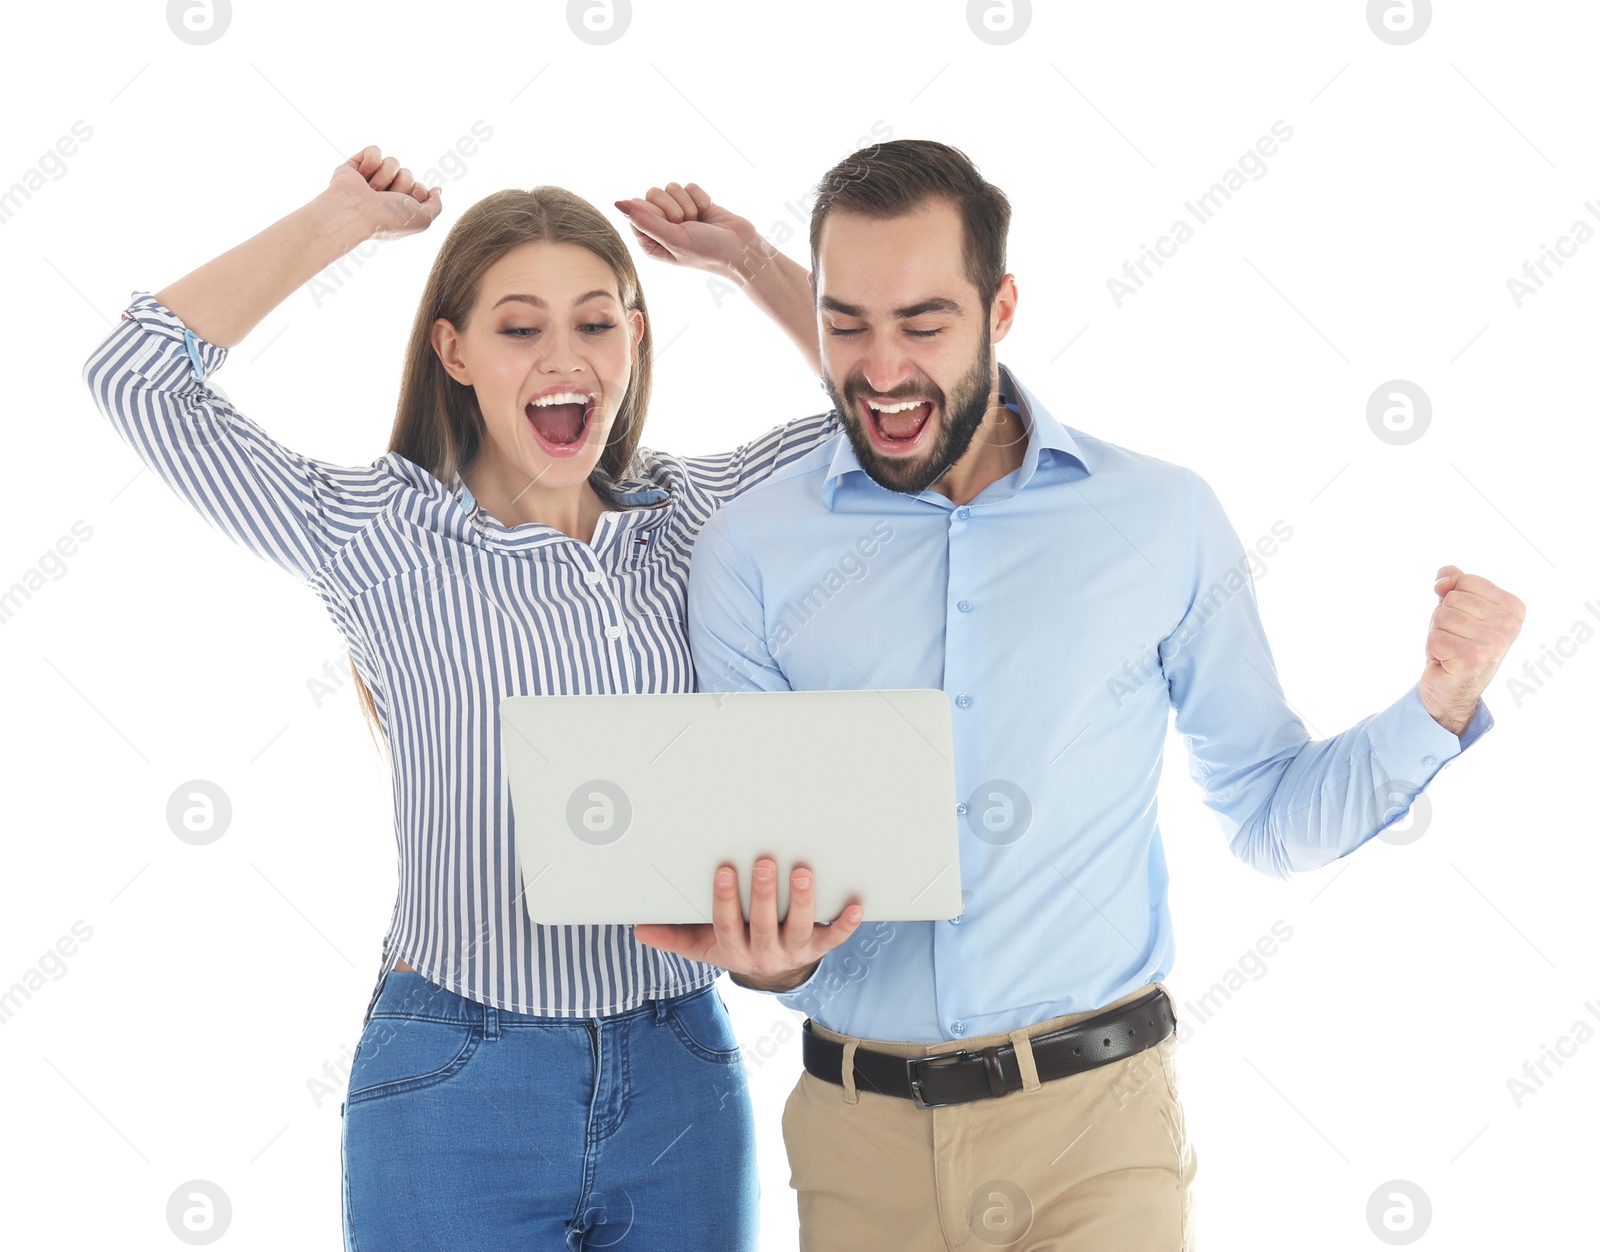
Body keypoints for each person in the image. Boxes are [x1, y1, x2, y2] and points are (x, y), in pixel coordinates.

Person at [633, 138, 1527, 1251]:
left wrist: (1436, 704)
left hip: (1094, 1138)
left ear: (1000, 308)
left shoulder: (1156, 520)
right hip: (854, 1142)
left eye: (924, 323)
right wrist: (779, 958)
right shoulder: (753, 549)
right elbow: (770, 857)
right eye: (846, 323)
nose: (880, 366)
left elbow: (1265, 811)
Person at [81, 145, 865, 1251]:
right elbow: (136, 374)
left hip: (681, 1067)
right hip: (457, 1076)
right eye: (517, 326)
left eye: (597, 322)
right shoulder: (379, 532)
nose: (565, 355)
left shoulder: (697, 516)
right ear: (451, 349)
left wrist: (747, 261)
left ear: (636, 339)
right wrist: (337, 221)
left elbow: (909, 416)